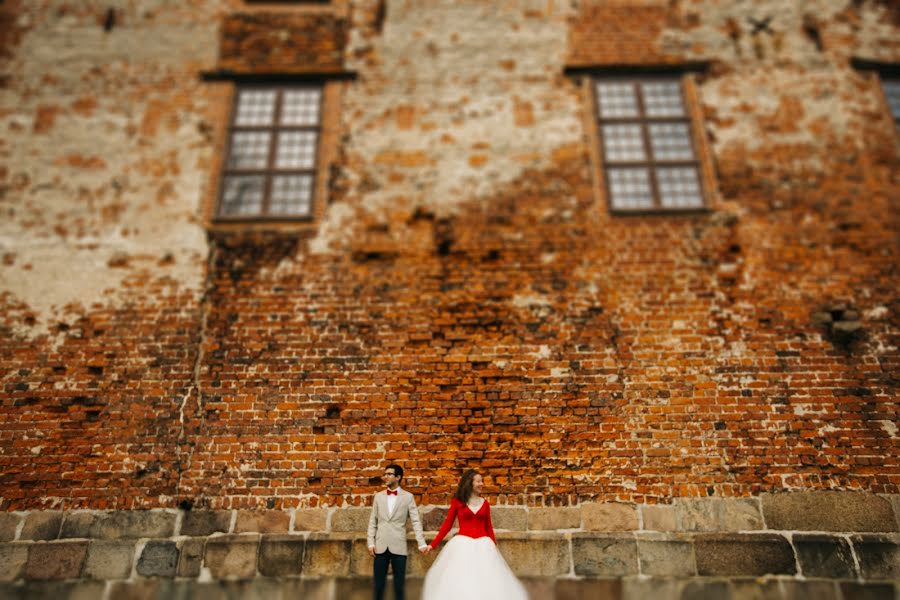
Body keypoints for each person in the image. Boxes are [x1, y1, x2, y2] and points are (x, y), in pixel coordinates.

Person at [421, 469, 528, 600]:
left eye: (481, 481)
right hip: (462, 546)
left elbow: (489, 527)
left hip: (484, 546)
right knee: (462, 580)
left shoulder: (485, 503)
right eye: (478, 481)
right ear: (469, 483)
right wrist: (433, 545)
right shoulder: (457, 502)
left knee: (488, 582)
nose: (481, 484)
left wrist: (494, 548)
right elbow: (447, 525)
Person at [367, 463, 428, 600]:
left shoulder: (408, 497)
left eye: (389, 474)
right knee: (378, 586)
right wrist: (371, 543)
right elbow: (373, 521)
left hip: (399, 546)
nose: (385, 477)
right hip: (380, 547)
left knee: (399, 587)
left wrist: (422, 543)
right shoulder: (378, 496)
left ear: (398, 477)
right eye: (385, 474)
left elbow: (416, 521)